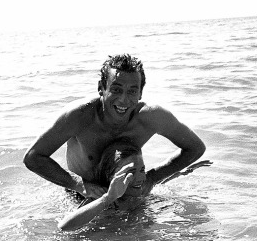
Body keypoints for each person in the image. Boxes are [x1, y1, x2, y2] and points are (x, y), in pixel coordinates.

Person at [23, 53, 206, 200]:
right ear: (101, 88)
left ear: (141, 93)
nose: (124, 100)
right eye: (116, 89)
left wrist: (151, 178)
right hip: (81, 196)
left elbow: (195, 148)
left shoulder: (151, 117)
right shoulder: (79, 116)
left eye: (132, 91)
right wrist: (78, 184)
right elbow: (33, 157)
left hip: (127, 194)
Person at [58, 139, 147, 231]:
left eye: (142, 170)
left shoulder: (140, 191)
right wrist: (107, 199)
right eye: (130, 172)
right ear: (110, 175)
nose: (141, 178)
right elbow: (64, 227)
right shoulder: (98, 197)